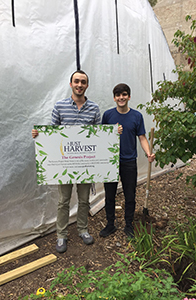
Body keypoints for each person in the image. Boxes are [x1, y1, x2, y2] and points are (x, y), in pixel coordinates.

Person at [32, 70, 101, 253]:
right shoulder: (60, 106)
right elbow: (52, 135)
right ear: (71, 84)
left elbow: (99, 137)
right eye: (76, 81)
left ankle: (83, 230)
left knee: (84, 199)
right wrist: (39, 136)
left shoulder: (94, 108)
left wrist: (113, 134)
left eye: (83, 82)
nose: (79, 84)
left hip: (85, 162)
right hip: (65, 163)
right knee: (63, 201)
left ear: (87, 85)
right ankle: (61, 235)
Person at [99, 83, 155, 239]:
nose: (121, 97)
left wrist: (149, 152)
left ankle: (128, 225)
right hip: (110, 161)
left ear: (129, 97)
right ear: (114, 98)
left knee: (130, 195)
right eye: (118, 95)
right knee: (110, 195)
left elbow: (142, 137)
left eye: (124, 94)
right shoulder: (108, 115)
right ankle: (110, 224)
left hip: (129, 161)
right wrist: (112, 132)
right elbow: (100, 136)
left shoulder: (136, 116)